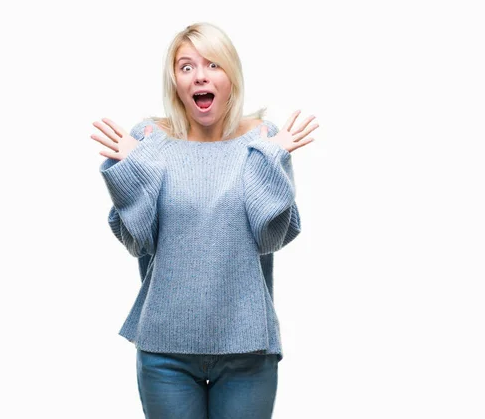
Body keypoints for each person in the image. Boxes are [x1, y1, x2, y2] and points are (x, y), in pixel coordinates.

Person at [90, 22, 318, 418]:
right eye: (186, 66)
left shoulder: (263, 140)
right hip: (165, 348)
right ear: (175, 81)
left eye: (213, 64)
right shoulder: (148, 141)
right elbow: (137, 241)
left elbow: (270, 237)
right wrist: (138, 166)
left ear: (231, 75)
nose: (200, 76)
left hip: (248, 347)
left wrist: (270, 160)